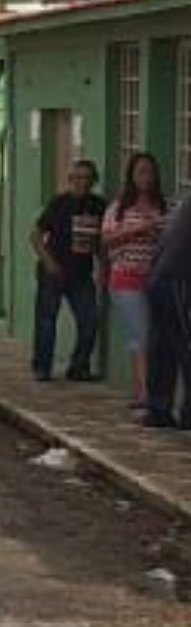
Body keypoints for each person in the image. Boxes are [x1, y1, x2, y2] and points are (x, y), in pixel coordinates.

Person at [30, 160, 107, 382]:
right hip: (53, 273)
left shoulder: (99, 206)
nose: (82, 182)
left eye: (87, 178)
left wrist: (104, 270)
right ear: (70, 180)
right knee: (46, 322)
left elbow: (101, 243)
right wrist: (49, 263)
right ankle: (42, 367)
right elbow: (35, 236)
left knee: (89, 321)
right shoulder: (59, 203)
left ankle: (78, 367)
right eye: (78, 177)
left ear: (94, 181)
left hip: (81, 275)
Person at [102, 153, 168, 407]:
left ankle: (140, 390)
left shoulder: (163, 206)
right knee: (143, 333)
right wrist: (137, 229)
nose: (145, 177)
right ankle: (147, 393)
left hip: (155, 278)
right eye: (140, 171)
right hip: (126, 277)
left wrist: (158, 230)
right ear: (131, 175)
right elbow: (107, 240)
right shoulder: (119, 207)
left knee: (137, 337)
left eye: (149, 171)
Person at [143, 196, 191, 428]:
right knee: (184, 344)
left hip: (160, 278)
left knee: (161, 345)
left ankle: (158, 410)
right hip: (177, 277)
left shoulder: (184, 204)